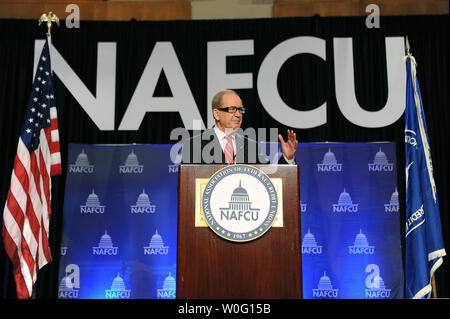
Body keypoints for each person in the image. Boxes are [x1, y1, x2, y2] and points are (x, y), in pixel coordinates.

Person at [182, 90, 298, 164]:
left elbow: (269, 179)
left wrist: (287, 159)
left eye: (240, 110)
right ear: (216, 114)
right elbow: (186, 187)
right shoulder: (194, 146)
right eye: (232, 109)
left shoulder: (252, 146)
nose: (238, 114)